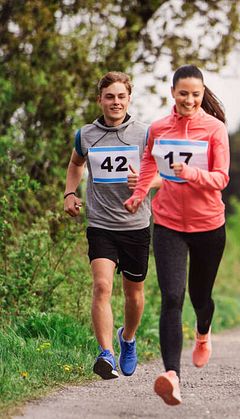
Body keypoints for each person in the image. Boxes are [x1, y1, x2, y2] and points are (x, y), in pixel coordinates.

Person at [124, 65, 229, 406]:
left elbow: (221, 178)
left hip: (208, 224)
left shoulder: (215, 129)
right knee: (172, 296)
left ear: (202, 94)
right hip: (168, 222)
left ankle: (202, 332)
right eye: (183, 93)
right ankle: (173, 376)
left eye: (195, 94)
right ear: (173, 92)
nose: (189, 99)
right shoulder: (159, 128)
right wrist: (139, 194)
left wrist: (192, 174)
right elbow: (149, 163)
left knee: (200, 296)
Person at [63, 71, 159, 380]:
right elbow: (76, 164)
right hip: (101, 224)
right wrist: (69, 193)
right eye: (109, 96)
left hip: (135, 225)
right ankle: (106, 354)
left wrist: (144, 182)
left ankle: (127, 338)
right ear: (100, 100)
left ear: (129, 99)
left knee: (134, 295)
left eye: (121, 96)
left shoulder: (146, 134)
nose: (115, 102)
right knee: (102, 286)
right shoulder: (86, 135)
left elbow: (163, 174)